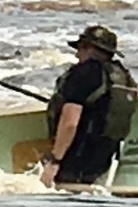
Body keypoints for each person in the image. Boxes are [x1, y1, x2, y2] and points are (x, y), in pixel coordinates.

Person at [40, 24, 129, 188]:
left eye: (80, 48)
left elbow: (70, 122)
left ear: (91, 49)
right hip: (104, 163)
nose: (77, 53)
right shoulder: (122, 77)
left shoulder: (84, 74)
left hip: (77, 160)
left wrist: (55, 161)